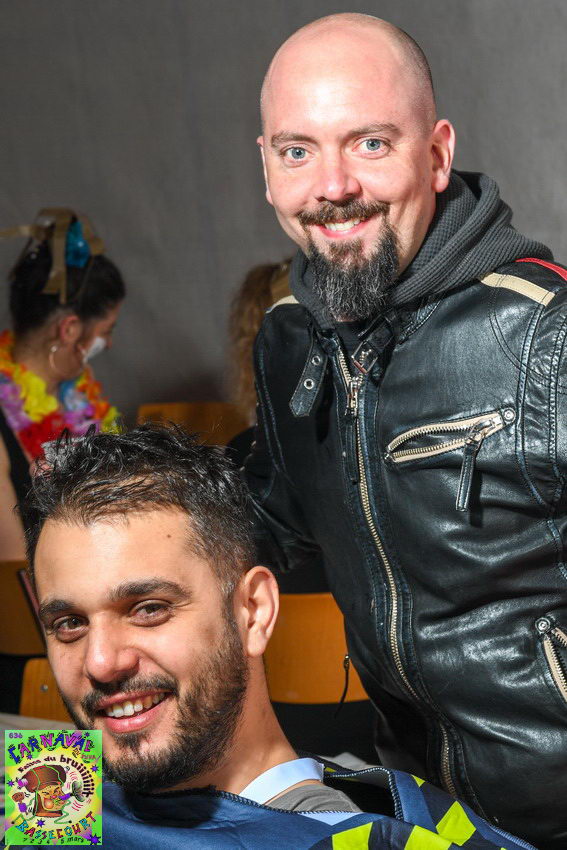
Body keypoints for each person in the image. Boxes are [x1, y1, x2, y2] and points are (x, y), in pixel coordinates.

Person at [243, 13, 567, 850]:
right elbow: (259, 531)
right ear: (267, 167)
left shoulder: (547, 336)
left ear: (435, 154)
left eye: (370, 143)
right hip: (420, 817)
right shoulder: (289, 345)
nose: (332, 185)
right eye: (297, 151)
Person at [14, 424, 531, 849]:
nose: (101, 661)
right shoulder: (52, 786)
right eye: (70, 623)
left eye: (148, 609)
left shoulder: (352, 839)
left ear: (253, 612)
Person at [0, 208, 125, 561]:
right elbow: (12, 567)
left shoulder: (81, 395)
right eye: (106, 331)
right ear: (69, 330)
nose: (109, 344)